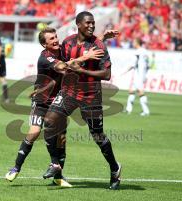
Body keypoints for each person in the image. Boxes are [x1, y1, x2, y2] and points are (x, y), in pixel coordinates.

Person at [5, 27, 118, 187]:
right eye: (51, 39)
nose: (56, 40)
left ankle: (58, 176)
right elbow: (64, 67)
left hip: (58, 100)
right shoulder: (45, 58)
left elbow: (84, 46)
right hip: (41, 101)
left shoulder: (62, 51)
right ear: (44, 45)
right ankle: (16, 167)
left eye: (56, 36)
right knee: (35, 132)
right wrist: (85, 57)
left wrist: (103, 38)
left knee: (61, 139)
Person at [42, 11, 121, 190]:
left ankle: (115, 169)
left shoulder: (99, 45)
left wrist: (82, 71)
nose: (92, 25)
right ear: (78, 24)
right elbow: (62, 64)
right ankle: (55, 164)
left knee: (98, 136)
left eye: (93, 23)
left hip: (90, 95)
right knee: (51, 121)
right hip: (69, 92)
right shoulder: (67, 42)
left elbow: (107, 74)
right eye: (88, 23)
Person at [124, 38, 150, 116]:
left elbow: (133, 64)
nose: (133, 43)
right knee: (131, 91)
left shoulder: (137, 52)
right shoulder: (145, 51)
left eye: (134, 42)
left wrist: (126, 71)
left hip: (138, 75)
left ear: (137, 43)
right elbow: (148, 64)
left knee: (140, 92)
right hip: (142, 74)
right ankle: (128, 110)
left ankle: (146, 111)